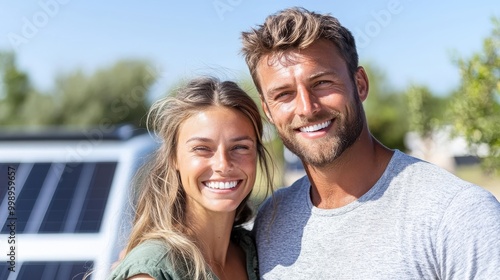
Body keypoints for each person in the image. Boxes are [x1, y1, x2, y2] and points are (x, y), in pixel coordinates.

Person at [241, 7, 500, 279]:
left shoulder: (458, 213)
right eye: (284, 94)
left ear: (360, 84)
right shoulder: (272, 219)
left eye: (322, 83)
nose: (307, 108)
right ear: (268, 111)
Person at [107, 77, 273, 280]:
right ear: (173, 158)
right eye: (202, 149)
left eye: (240, 147)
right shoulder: (151, 272)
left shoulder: (256, 251)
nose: (223, 164)